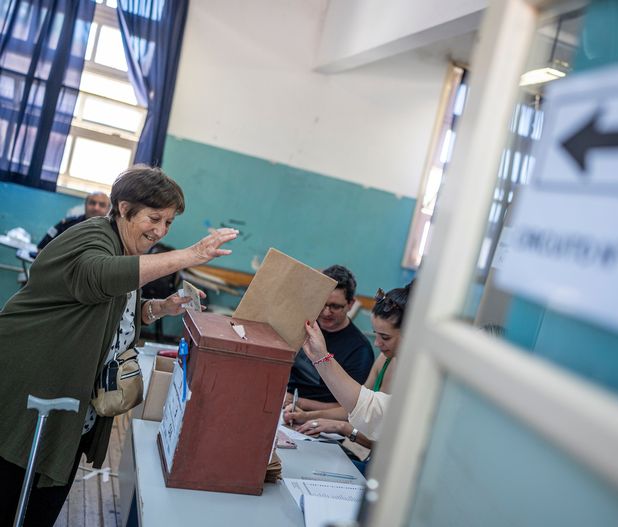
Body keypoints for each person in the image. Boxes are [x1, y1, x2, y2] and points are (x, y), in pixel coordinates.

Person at [0, 165, 238, 526]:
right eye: (154, 218)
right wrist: (190, 255)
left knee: (42, 501)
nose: (160, 231)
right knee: (16, 495)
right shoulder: (92, 237)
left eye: (169, 223)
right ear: (124, 209)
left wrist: (157, 308)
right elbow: (97, 279)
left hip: (66, 402)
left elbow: (109, 309)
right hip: (31, 391)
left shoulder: (121, 247)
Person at [284, 282, 412, 444]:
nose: (377, 344)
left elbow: (387, 440)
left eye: (385, 337)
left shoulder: (415, 380)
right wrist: (306, 416)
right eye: (376, 335)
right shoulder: (384, 360)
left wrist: (343, 428)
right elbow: (354, 406)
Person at [286, 265, 374, 411]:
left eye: (335, 306)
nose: (326, 312)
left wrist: (297, 402)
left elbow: (348, 408)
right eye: (322, 304)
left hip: (320, 419)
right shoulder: (303, 326)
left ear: (350, 304)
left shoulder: (360, 350)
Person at [37, 191, 111, 250]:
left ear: (108, 209)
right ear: (85, 204)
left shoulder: (111, 231)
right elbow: (42, 246)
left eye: (102, 205)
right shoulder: (67, 224)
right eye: (92, 203)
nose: (96, 208)